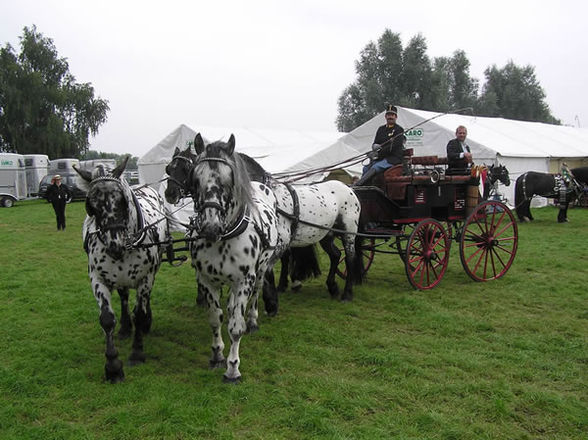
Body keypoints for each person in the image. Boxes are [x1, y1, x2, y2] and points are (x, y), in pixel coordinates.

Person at [355, 104, 406, 185]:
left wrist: (378, 153)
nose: (390, 117)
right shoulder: (381, 129)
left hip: (393, 159)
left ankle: (358, 185)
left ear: (396, 117)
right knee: (366, 168)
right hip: (381, 158)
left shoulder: (399, 130)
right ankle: (364, 188)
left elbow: (393, 147)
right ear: (385, 116)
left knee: (376, 167)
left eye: (392, 115)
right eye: (389, 115)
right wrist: (374, 148)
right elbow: (376, 142)